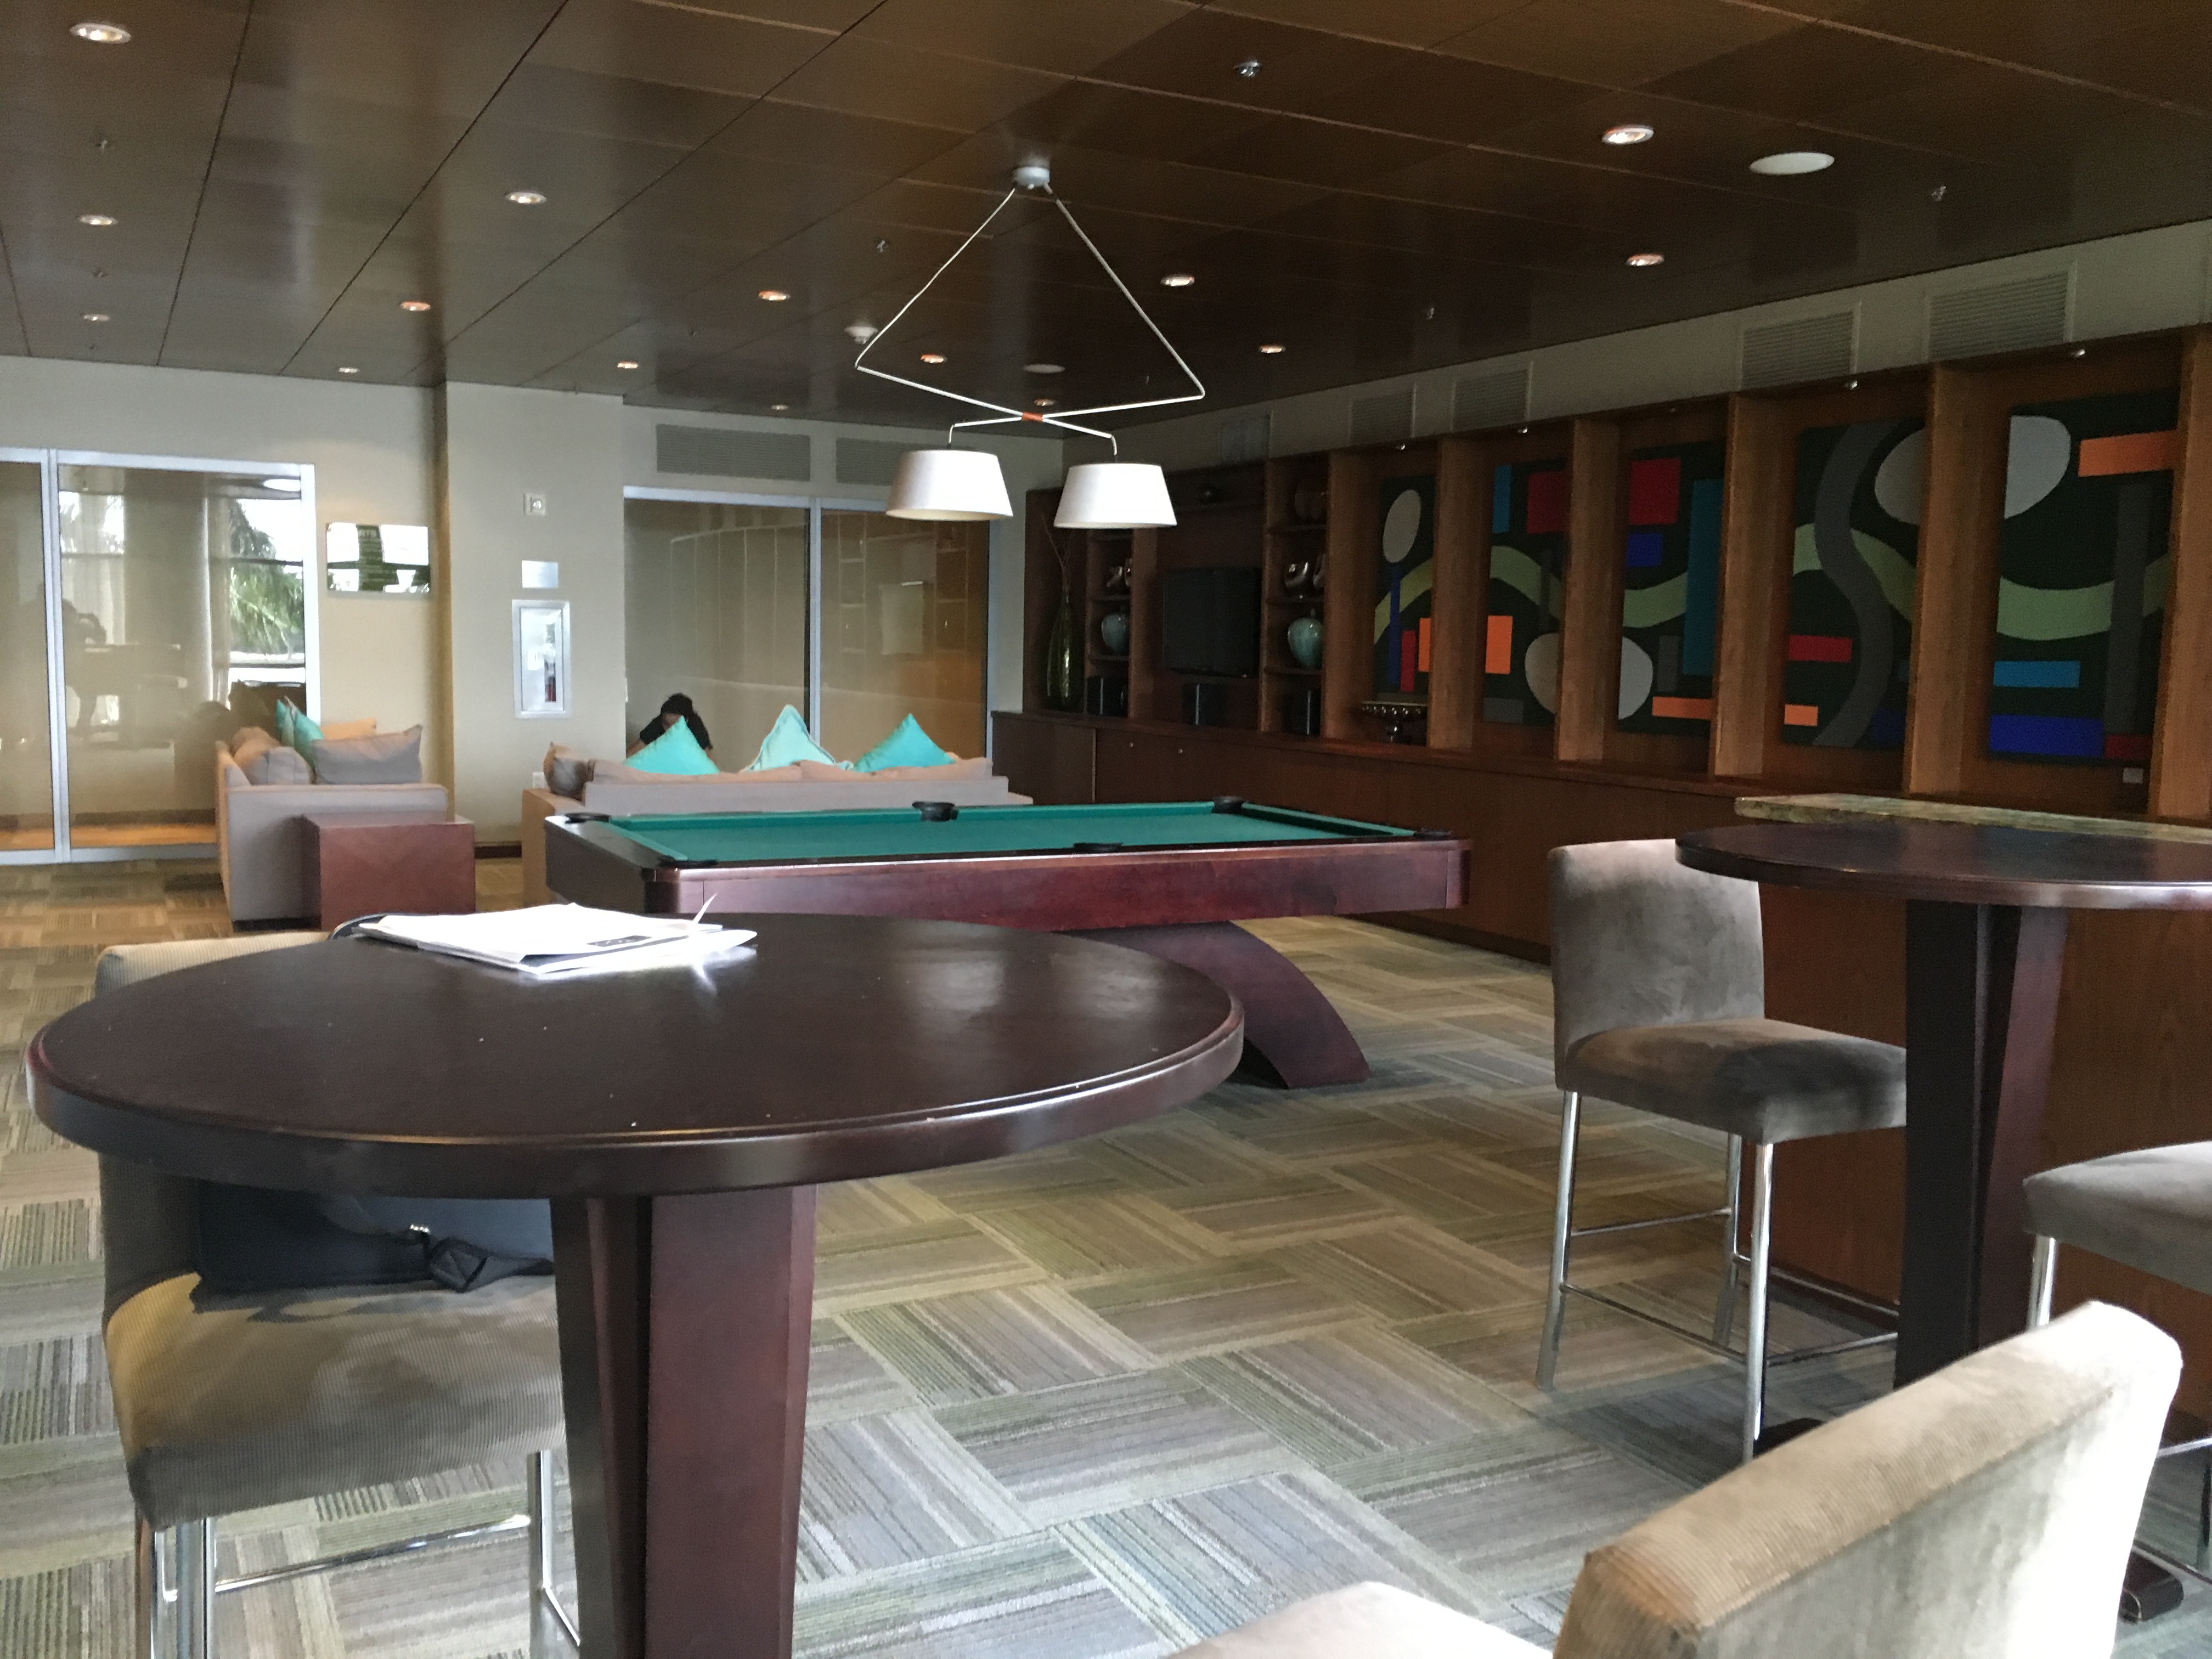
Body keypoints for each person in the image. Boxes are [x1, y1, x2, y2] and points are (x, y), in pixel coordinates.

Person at [635, 692, 711, 754]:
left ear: (686, 721)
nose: (670, 730)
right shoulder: (657, 724)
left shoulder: (696, 728)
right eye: (666, 724)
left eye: (676, 725)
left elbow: (708, 760)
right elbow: (634, 751)